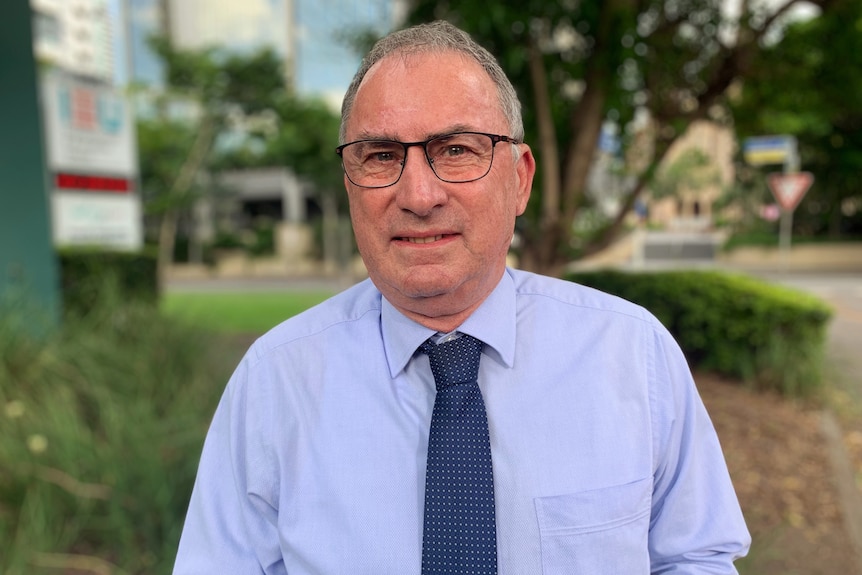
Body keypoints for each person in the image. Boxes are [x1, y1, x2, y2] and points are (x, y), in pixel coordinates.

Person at [173, 20, 750, 574]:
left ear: (519, 179)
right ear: (349, 184)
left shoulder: (633, 356)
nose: (419, 195)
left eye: (456, 150)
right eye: (379, 157)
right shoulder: (275, 383)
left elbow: (693, 558)